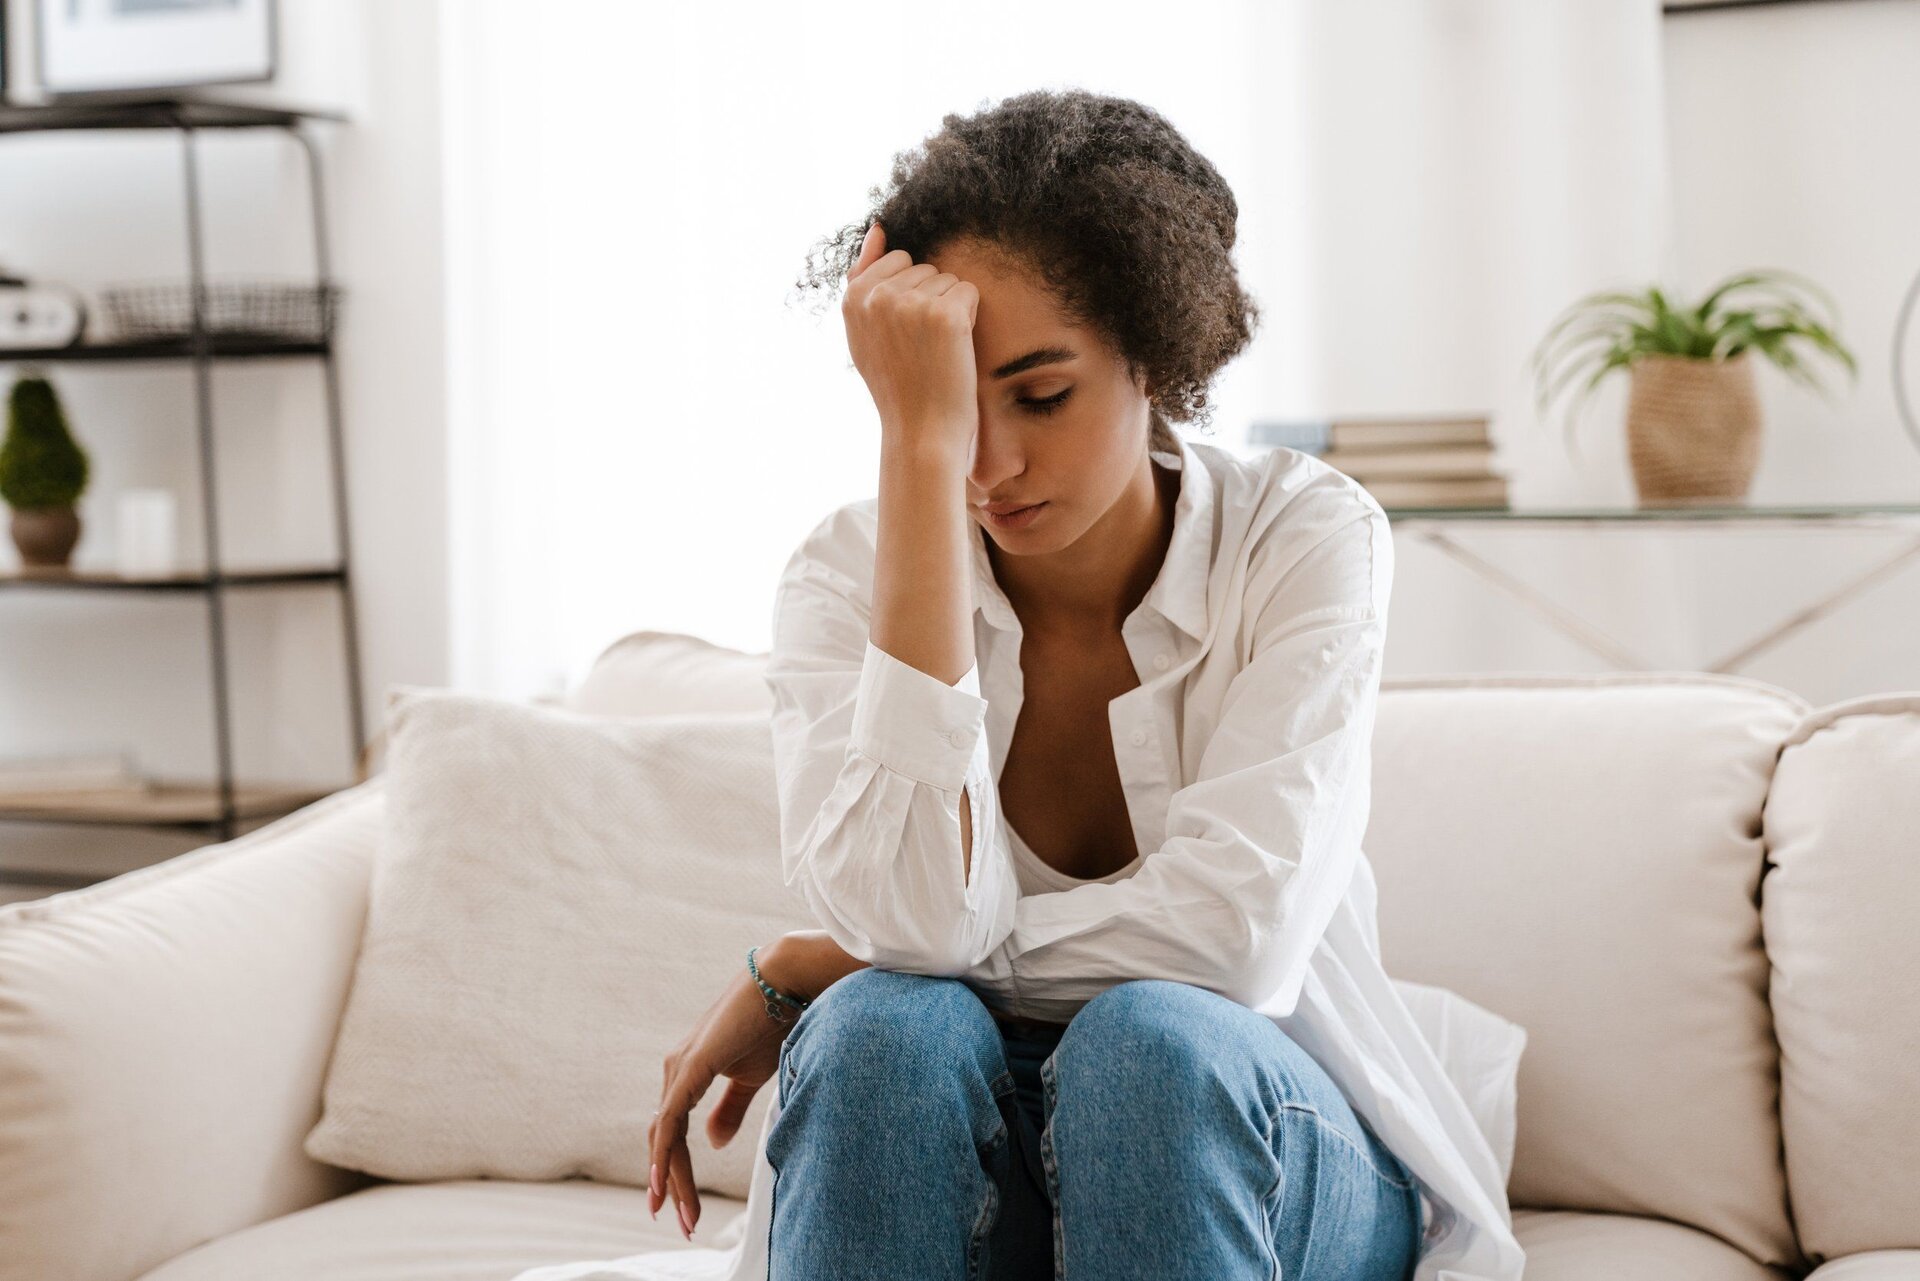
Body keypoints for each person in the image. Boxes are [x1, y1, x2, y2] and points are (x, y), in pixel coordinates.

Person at [520, 88, 1524, 1281]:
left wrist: (821, 959)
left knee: (1147, 1044)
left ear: (1154, 354)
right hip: (967, 1145)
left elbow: (1236, 946)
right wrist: (915, 454)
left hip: (1248, 1135)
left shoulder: (1301, 537)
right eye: (948, 404)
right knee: (882, 1031)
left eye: (1041, 396)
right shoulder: (844, 574)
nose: (988, 466)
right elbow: (910, 929)